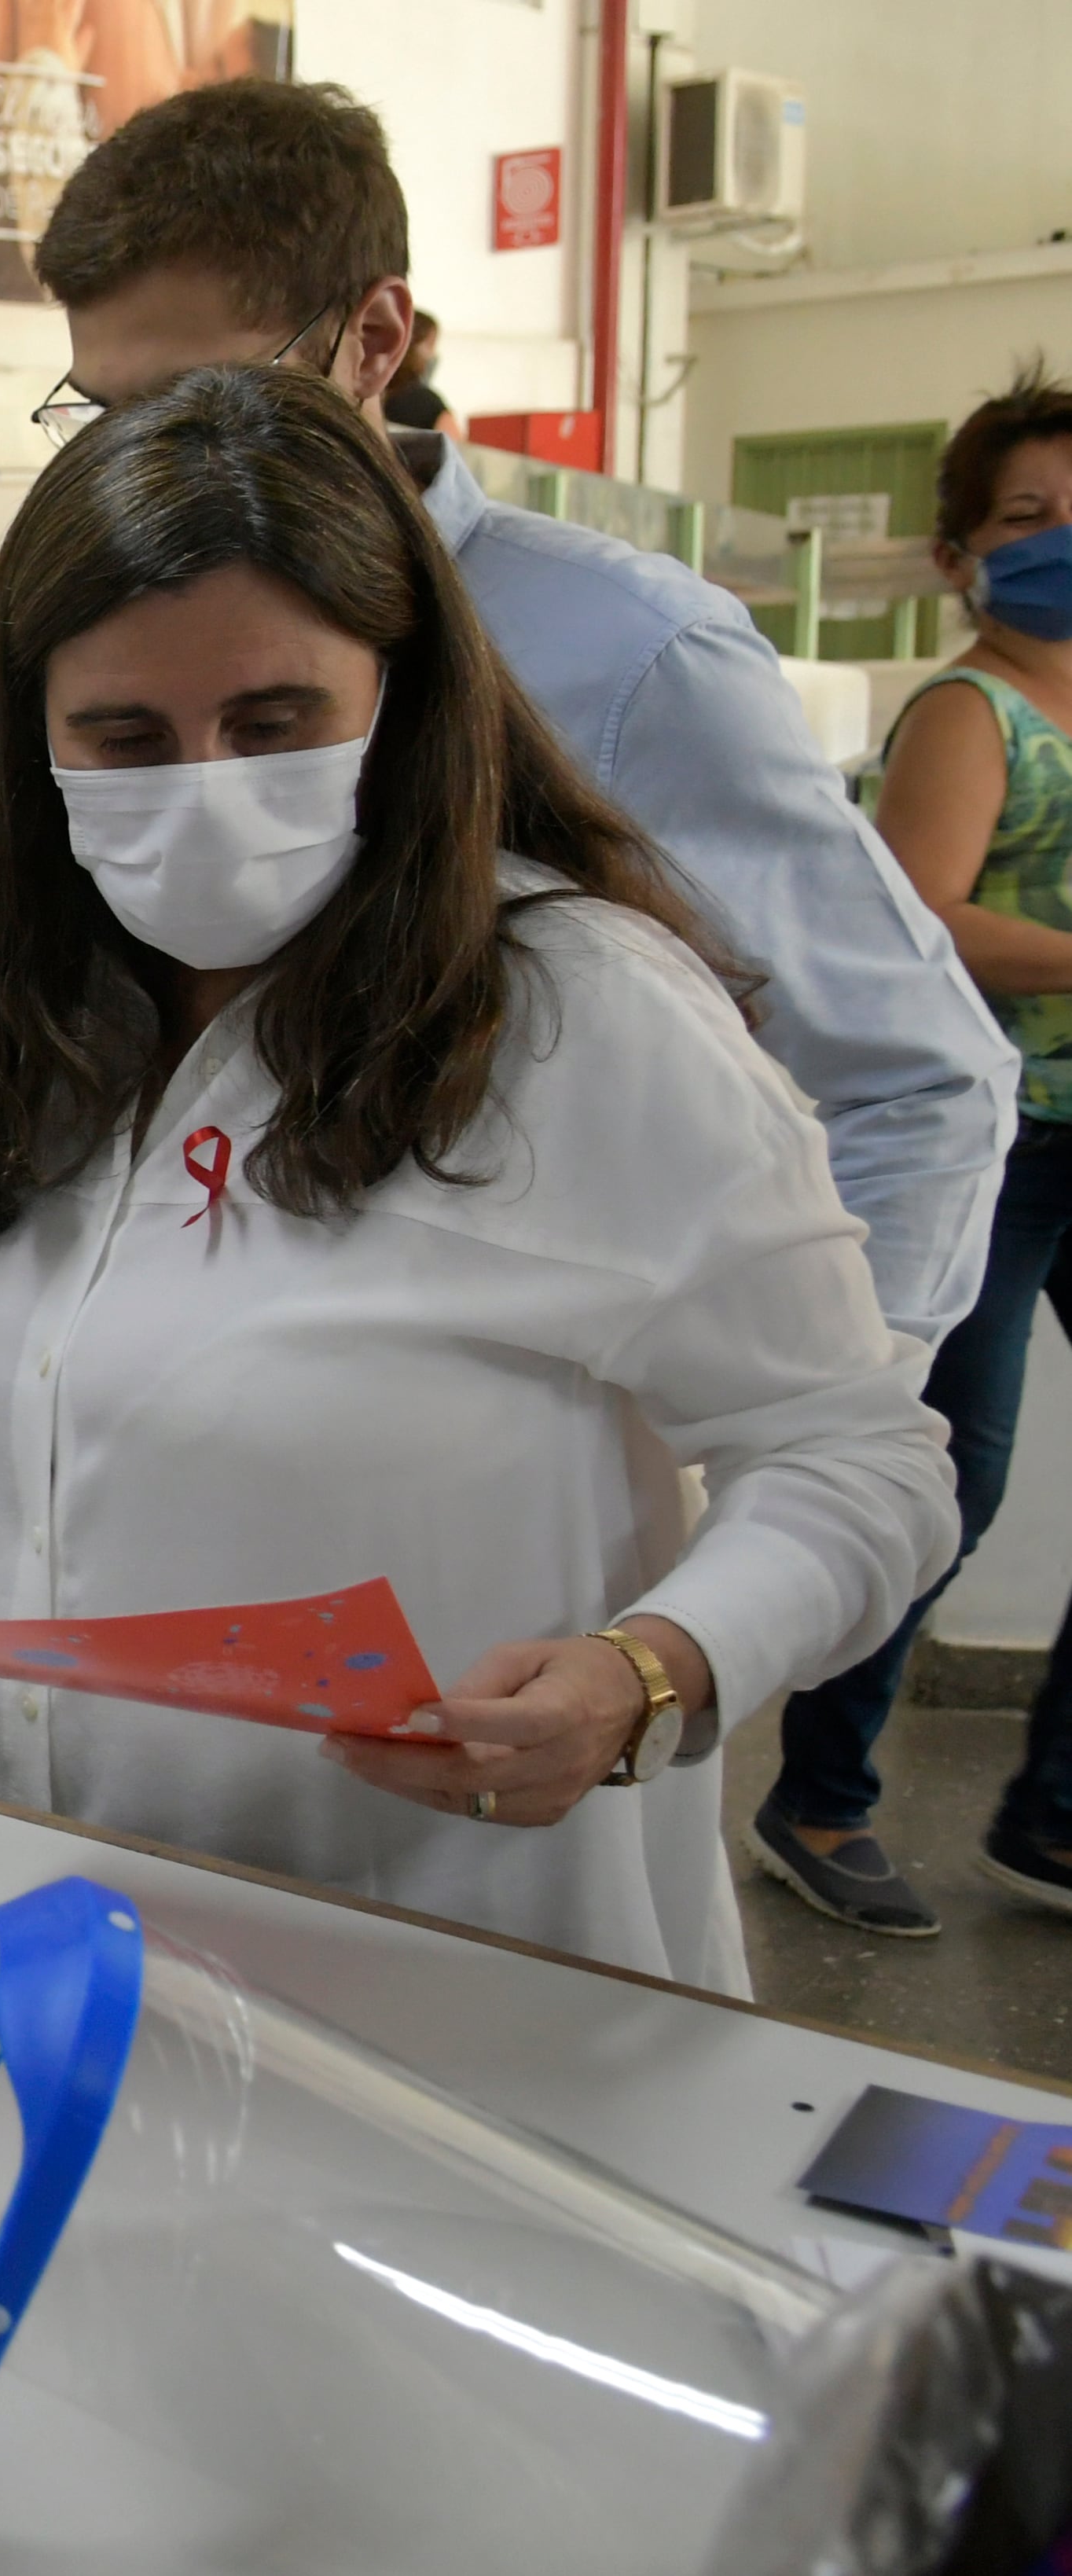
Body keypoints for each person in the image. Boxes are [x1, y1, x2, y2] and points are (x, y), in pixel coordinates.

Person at [0, 369, 957, 1989]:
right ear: (29, 740)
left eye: (272, 722)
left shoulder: (580, 1018)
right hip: (28, 1946)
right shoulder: (20, 1013)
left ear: (399, 696)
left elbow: (858, 1462)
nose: (204, 788)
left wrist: (647, 1675)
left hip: (441, 1974)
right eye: (122, 736)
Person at [30, 80, 1019, 1354]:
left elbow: (916, 1081)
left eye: (208, 401)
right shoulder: (87, 645)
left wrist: (816, 1450)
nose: (154, 467)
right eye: (109, 418)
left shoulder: (629, 656)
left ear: (377, 336)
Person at [754, 369, 1072, 1932]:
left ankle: (1054, 1811)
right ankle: (819, 1792)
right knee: (955, 1474)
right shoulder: (970, 712)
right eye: (1028, 520)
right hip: (995, 1144)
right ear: (962, 555)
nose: (1061, 544)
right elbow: (921, 922)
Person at [380, 307, 465, 439]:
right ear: (409, 343)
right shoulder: (428, 403)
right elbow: (457, 450)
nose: (433, 355)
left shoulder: (368, 393)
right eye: (430, 345)